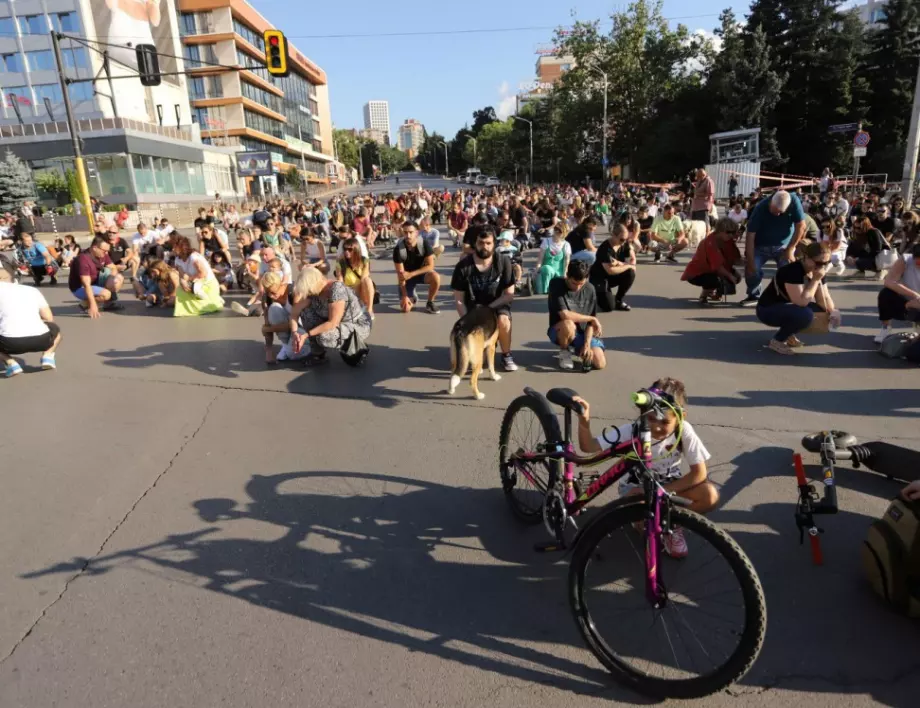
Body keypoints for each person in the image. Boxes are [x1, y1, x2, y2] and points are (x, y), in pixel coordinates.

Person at [571, 378, 718, 557]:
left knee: (709, 495)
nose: (656, 427)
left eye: (664, 422)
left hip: (668, 487)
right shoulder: (633, 429)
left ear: (681, 416)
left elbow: (699, 473)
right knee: (644, 517)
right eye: (650, 418)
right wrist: (584, 422)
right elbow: (589, 447)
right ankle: (654, 522)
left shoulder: (683, 430)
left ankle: (671, 523)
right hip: (637, 489)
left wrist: (661, 492)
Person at [450, 225, 518, 371]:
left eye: (488, 243)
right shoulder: (463, 267)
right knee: (478, 361)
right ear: (475, 243)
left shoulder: (503, 262)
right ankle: (478, 347)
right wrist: (468, 320)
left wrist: (488, 309)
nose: (484, 246)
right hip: (474, 307)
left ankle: (506, 355)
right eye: (481, 243)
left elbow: (509, 294)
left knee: (504, 320)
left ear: (494, 244)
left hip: (497, 304)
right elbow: (459, 299)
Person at [756, 242, 841, 355]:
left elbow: (824, 297)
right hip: (767, 310)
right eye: (818, 262)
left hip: (787, 307)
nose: (821, 267)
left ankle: (789, 332)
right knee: (805, 314)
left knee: (822, 309)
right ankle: (777, 340)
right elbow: (801, 302)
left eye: (826, 263)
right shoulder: (792, 271)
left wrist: (833, 311)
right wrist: (815, 280)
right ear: (806, 257)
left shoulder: (818, 271)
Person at [288, 267, 373, 367]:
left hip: (357, 323)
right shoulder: (313, 292)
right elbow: (294, 314)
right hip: (337, 322)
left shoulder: (336, 289)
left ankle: (356, 345)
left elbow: (333, 322)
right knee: (305, 313)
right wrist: (294, 333)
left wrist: (306, 335)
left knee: (324, 337)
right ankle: (318, 355)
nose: (307, 293)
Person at [741, 190, 807, 306]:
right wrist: (750, 261)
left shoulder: (794, 201)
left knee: (789, 269)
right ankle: (754, 295)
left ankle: (786, 296)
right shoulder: (760, 208)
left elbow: (801, 226)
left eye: (781, 213)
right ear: (770, 203)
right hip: (761, 245)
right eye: (775, 211)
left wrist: (791, 249)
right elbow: (750, 235)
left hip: (783, 245)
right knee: (752, 269)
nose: (778, 215)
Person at [547, 260, 606, 371]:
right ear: (567, 276)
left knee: (600, 363)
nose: (578, 287)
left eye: (581, 284)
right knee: (568, 324)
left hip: (582, 333)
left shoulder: (590, 289)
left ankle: (581, 351)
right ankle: (564, 352)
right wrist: (592, 318)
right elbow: (565, 315)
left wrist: (587, 345)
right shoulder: (556, 284)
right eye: (574, 283)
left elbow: (590, 324)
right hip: (560, 330)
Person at [0, 279, 62, 377]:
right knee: (55, 330)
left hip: (10, 343)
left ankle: (10, 362)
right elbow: (49, 318)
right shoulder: (32, 290)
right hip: (41, 339)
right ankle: (48, 355)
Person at [681, 217, 743, 305]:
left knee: (737, 276)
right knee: (715, 279)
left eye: (733, 232)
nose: (731, 235)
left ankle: (717, 294)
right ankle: (704, 296)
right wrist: (729, 276)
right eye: (729, 232)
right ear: (720, 230)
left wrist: (748, 262)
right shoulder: (710, 243)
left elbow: (736, 259)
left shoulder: (728, 241)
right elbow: (717, 267)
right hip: (697, 273)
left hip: (713, 270)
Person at [68, 236, 124, 318]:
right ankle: (86, 304)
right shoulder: (83, 260)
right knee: (106, 294)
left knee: (118, 279)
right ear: (95, 248)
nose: (106, 253)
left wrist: (111, 278)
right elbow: (86, 284)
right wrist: (93, 305)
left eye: (107, 251)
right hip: (80, 287)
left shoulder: (103, 254)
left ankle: (108, 303)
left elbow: (113, 267)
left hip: (95, 281)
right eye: (104, 251)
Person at [874, 243, 920, 343]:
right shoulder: (906, 260)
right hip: (905, 299)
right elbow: (889, 282)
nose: (917, 262)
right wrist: (914, 296)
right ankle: (886, 328)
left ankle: (918, 329)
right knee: (885, 294)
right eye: (916, 258)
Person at [170, 235, 225, 317]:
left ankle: (212, 301)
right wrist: (183, 281)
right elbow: (182, 275)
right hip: (195, 281)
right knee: (180, 290)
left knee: (195, 287)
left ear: (182, 247)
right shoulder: (177, 259)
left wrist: (189, 279)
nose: (172, 249)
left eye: (174, 247)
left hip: (207, 282)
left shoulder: (193, 257)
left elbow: (203, 273)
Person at [393, 221, 440, 314]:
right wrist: (405, 296)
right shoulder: (398, 249)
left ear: (416, 232)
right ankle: (412, 296)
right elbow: (400, 275)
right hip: (406, 278)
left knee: (436, 277)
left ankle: (430, 302)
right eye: (405, 232)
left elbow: (431, 266)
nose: (408, 235)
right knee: (405, 309)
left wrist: (411, 274)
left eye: (411, 232)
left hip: (421, 274)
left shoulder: (424, 244)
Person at [589, 223, 636, 312]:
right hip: (599, 278)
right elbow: (610, 270)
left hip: (611, 276)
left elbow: (631, 260)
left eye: (626, 239)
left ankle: (618, 299)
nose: (624, 241)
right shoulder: (605, 249)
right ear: (613, 235)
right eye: (622, 239)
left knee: (630, 273)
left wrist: (619, 263)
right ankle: (595, 294)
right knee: (609, 307)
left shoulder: (624, 243)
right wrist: (628, 265)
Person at [335, 237, 375, 320]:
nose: (346, 251)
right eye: (345, 249)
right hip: (348, 290)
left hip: (361, 289)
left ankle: (369, 309)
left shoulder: (364, 261)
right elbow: (340, 279)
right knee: (338, 286)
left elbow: (364, 277)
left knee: (367, 280)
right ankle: (356, 305)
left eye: (350, 249)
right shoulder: (340, 262)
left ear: (356, 249)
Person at [535, 223, 571, 295]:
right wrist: (537, 268)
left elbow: (566, 261)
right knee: (547, 269)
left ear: (564, 233)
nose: (556, 232)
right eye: (556, 229)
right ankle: (547, 289)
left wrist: (565, 273)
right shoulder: (546, 241)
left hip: (559, 271)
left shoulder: (566, 244)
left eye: (559, 231)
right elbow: (540, 258)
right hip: (547, 270)